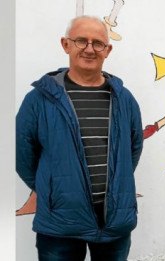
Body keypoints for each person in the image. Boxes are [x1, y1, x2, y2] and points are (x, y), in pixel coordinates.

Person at [16, 15, 143, 260]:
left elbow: (133, 149)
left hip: (114, 223)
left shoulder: (124, 99)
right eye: (81, 41)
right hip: (60, 225)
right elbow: (22, 153)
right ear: (66, 44)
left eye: (98, 43)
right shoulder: (39, 100)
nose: (89, 49)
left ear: (108, 50)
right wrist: (52, 188)